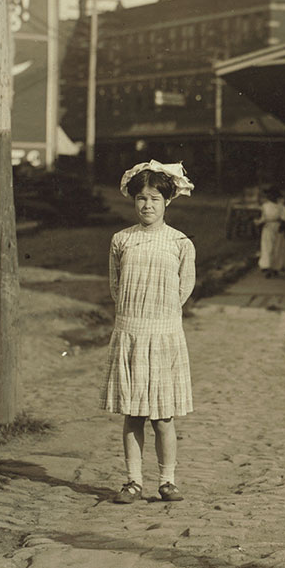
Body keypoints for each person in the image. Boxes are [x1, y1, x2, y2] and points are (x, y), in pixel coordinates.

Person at [101, 159, 196, 504]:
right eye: (141, 198)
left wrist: (161, 318)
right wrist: (135, 316)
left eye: (155, 199)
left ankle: (167, 480)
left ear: (167, 201)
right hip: (131, 331)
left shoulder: (181, 243)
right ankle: (133, 481)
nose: (147, 205)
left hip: (164, 334)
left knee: (163, 416)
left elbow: (184, 288)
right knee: (134, 413)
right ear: (133, 200)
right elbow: (116, 286)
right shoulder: (121, 240)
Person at [255, 187, 285, 278]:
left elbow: (284, 218)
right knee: (267, 247)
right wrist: (258, 222)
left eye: (274, 196)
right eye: (270, 195)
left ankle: (275, 267)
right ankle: (267, 266)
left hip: (277, 228)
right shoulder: (265, 206)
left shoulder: (281, 207)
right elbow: (263, 218)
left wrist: (282, 226)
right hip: (268, 228)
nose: (271, 197)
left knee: (277, 247)